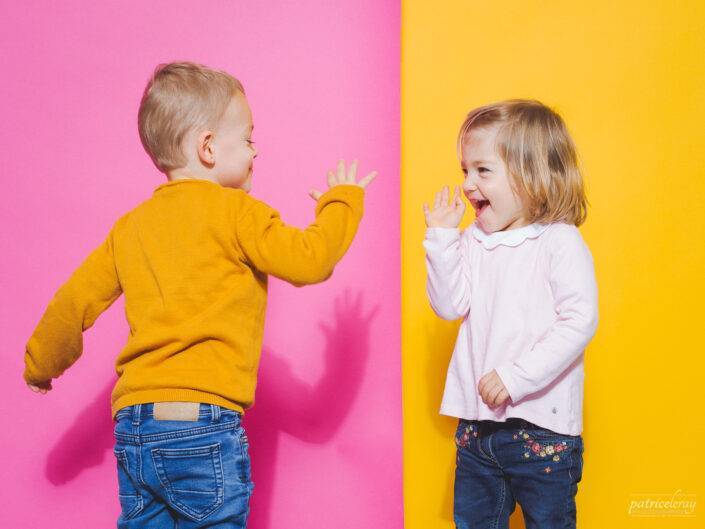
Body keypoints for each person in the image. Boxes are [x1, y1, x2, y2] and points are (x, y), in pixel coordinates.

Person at [23, 61, 377, 528]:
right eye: (249, 138)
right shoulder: (238, 213)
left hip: (134, 426)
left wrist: (41, 363)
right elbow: (309, 260)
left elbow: (74, 302)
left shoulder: (130, 228)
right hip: (204, 425)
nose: (256, 151)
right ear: (208, 148)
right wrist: (341, 203)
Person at [423, 99, 598, 529]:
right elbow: (449, 305)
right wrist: (442, 241)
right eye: (464, 169)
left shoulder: (559, 241)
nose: (467, 184)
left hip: (542, 431)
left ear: (531, 176)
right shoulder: (473, 240)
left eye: (483, 171)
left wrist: (516, 377)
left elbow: (579, 320)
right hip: (478, 432)